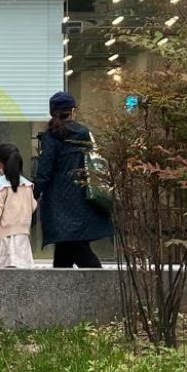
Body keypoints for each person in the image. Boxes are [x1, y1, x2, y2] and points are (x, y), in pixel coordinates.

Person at [33, 91, 113, 268]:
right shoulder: (84, 133)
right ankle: (61, 290)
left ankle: (101, 288)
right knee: (65, 250)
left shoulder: (51, 136)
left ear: (52, 112)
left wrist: (34, 194)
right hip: (82, 197)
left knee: (75, 246)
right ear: (73, 111)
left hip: (59, 201)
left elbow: (44, 171)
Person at [0, 143, 36, 269]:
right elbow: (33, 205)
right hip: (22, 237)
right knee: (21, 276)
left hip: (2, 238)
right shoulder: (27, 185)